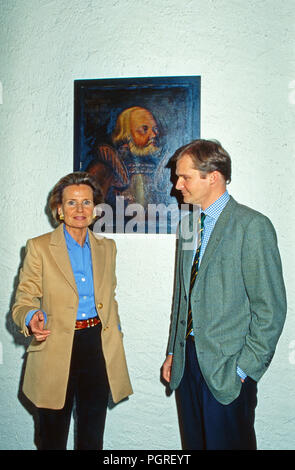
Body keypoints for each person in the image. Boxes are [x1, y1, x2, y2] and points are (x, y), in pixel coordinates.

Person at [162, 139, 287, 450]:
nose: (177, 185)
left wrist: (244, 368)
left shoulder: (252, 226)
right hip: (187, 364)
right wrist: (173, 352)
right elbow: (183, 296)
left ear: (212, 176)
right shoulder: (189, 225)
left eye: (185, 177)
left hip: (228, 368)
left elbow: (270, 309)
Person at [12, 172, 133, 450]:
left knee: (92, 436)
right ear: (59, 209)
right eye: (71, 203)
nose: (80, 210)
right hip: (55, 345)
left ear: (95, 208)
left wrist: (115, 333)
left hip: (97, 347)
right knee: (51, 437)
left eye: (86, 203)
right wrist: (32, 317)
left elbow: (109, 298)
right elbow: (23, 300)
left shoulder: (107, 248)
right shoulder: (39, 247)